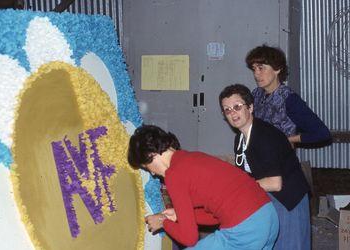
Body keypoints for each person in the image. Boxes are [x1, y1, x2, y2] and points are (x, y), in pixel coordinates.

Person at [128, 125, 279, 250]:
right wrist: (178, 215)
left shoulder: (173, 174)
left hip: (245, 228)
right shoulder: (194, 157)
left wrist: (163, 222)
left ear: (151, 154)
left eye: (147, 167)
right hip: (268, 216)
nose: (153, 173)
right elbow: (214, 216)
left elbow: (189, 239)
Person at [219, 84, 311, 250]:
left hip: (288, 200)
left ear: (251, 107)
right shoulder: (240, 138)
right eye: (227, 110)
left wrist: (239, 189)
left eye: (237, 107)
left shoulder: (265, 136)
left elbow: (275, 183)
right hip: (268, 198)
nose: (232, 113)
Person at [245, 45, 331, 147]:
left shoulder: (289, 99)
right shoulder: (256, 94)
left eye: (261, 68)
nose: (256, 74)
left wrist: (288, 139)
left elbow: (322, 133)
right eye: (254, 69)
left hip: (280, 159)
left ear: (277, 69)